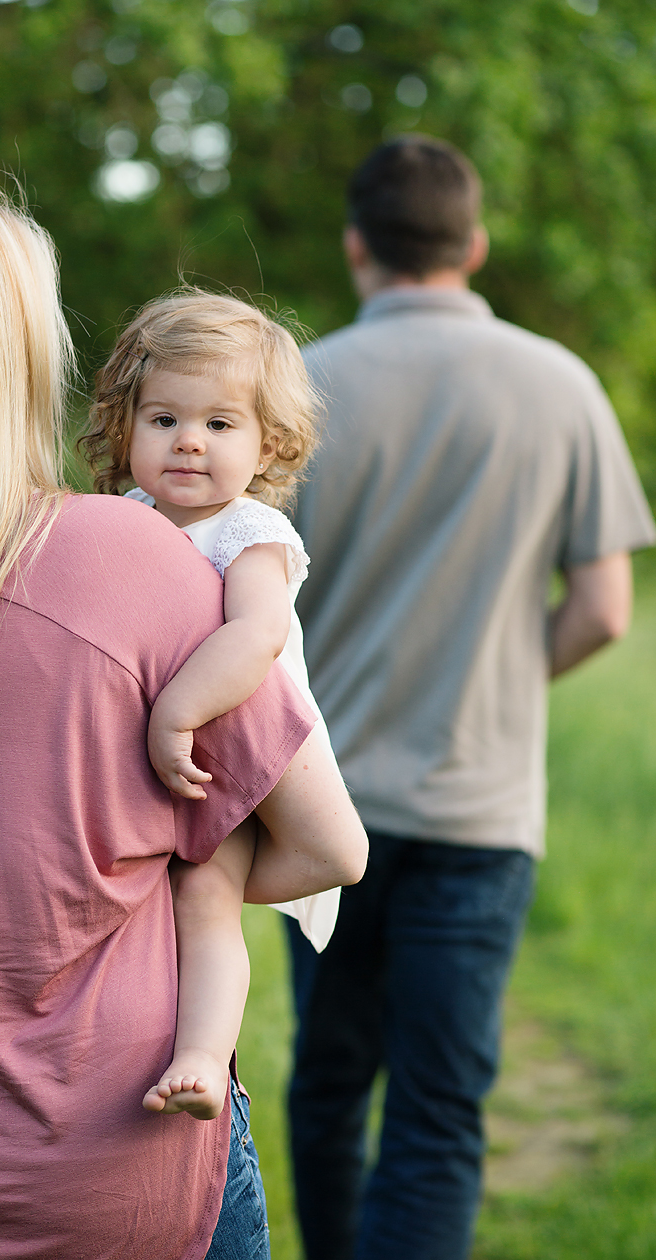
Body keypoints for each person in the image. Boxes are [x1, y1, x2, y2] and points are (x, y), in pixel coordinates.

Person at [0, 176, 367, 1260]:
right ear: (15, 360)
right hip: (107, 1180)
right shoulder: (126, 561)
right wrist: (176, 877)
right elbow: (330, 846)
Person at [284, 136, 656, 1260]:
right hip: (482, 813)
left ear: (358, 244)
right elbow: (602, 607)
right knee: (440, 1109)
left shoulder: (297, 389)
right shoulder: (562, 385)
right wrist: (498, 683)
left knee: (332, 1081)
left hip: (322, 805)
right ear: (475, 245)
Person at [83, 292, 360, 1124]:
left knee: (205, 902)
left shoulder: (248, 533)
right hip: (140, 771)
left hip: (235, 771)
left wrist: (173, 715)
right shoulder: (121, 518)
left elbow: (257, 636)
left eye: (219, 424)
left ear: (268, 442)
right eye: (163, 418)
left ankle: (202, 1058)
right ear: (125, 426)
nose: (189, 441)